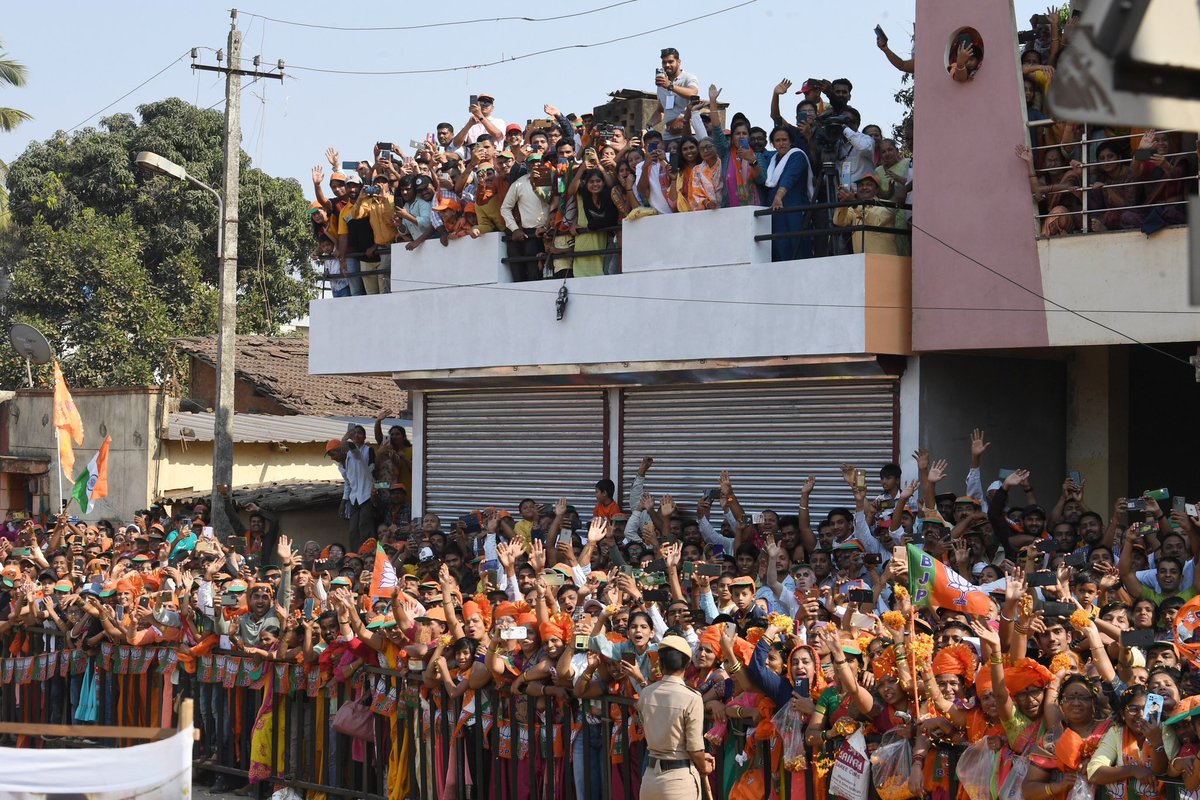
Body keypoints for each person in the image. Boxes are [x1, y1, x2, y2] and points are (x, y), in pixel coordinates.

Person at [636, 633, 716, 800]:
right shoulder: (692, 697)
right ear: (687, 663)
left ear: (661, 663)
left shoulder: (646, 693)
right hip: (678, 781)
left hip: (650, 778)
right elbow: (694, 748)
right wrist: (704, 765)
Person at [764, 125, 811, 262]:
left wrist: (779, 196)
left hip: (794, 208)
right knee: (779, 247)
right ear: (773, 143)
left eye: (784, 139)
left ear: (791, 141)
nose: (781, 143)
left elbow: (790, 176)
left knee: (796, 246)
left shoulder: (797, 155)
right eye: (777, 140)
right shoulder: (772, 159)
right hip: (775, 211)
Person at [650, 47, 699, 143]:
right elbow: (661, 111)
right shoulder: (661, 85)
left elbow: (693, 93)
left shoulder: (688, 78)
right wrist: (648, 126)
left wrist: (670, 86)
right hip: (668, 137)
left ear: (679, 62)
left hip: (687, 135)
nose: (667, 65)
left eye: (670, 61)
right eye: (664, 62)